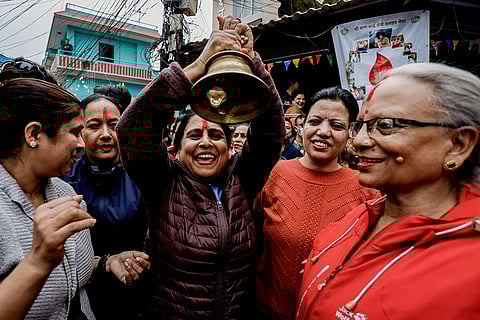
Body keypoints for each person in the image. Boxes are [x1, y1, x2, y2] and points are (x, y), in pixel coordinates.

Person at [115, 16, 285, 320]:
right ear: (176, 149)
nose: (205, 142)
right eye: (194, 135)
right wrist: (200, 64)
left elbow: (271, 132)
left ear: (230, 146)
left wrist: (251, 62)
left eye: (216, 134)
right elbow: (133, 128)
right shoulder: (162, 180)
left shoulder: (242, 177)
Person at [297, 63, 480, 320]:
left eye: (386, 124)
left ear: (458, 144)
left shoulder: (472, 270)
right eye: (361, 125)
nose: (359, 141)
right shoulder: (353, 222)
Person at [0, 78, 150, 320]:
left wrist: (106, 262)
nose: (81, 143)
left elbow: (72, 273)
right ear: (34, 134)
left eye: (114, 124)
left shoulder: (66, 193)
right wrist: (37, 262)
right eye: (74, 132)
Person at [256, 87, 378, 320]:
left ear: (351, 133)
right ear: (303, 126)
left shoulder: (367, 190)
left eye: (336, 125)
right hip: (267, 311)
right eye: (315, 121)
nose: (323, 132)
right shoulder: (273, 174)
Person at [62, 94, 148, 319]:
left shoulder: (142, 174)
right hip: (78, 296)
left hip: (133, 289)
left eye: (114, 125)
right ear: (80, 131)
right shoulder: (62, 178)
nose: (106, 135)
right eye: (94, 126)